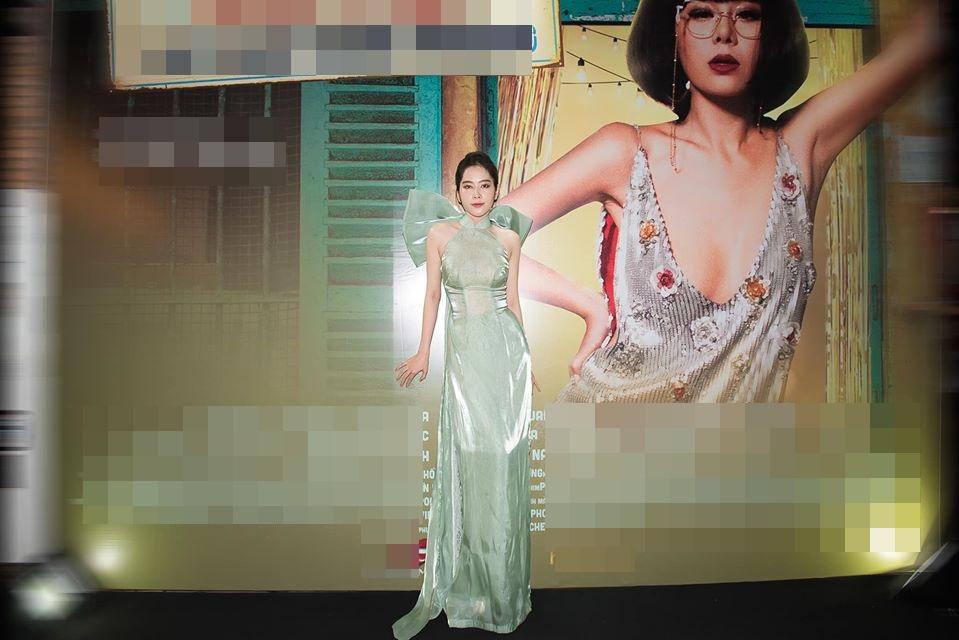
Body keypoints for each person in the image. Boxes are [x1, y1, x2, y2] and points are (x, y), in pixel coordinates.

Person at [496, 0, 948, 402]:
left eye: (747, 14)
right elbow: (473, 236)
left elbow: (925, 40)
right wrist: (587, 304)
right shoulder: (625, 152)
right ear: (675, 29)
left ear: (769, 32)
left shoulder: (800, 148)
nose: (724, 32)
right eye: (702, 13)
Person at [392, 151, 539, 638]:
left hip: (505, 357)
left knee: (502, 466)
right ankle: (468, 589)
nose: (477, 194)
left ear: (496, 191)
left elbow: (512, 301)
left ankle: (502, 591)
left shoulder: (509, 238)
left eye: (485, 185)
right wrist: (422, 352)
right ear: (457, 192)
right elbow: (433, 295)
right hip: (464, 358)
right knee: (469, 466)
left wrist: (527, 362)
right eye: (468, 186)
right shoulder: (440, 235)